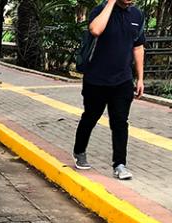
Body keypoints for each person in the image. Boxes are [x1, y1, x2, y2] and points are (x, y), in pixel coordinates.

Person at [72, 0, 145, 181]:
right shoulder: (100, 10)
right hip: (96, 79)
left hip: (123, 80)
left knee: (120, 122)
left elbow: (138, 47)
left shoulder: (137, 15)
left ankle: (120, 164)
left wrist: (141, 78)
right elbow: (96, 30)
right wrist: (111, 2)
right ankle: (79, 151)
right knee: (90, 117)